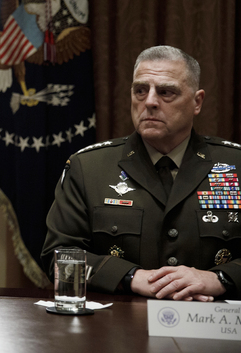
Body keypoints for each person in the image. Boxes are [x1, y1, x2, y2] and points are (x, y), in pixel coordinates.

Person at [42, 45, 241, 301]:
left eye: (166, 92)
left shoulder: (234, 164)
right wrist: (130, 277)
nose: (149, 102)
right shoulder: (89, 167)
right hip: (116, 327)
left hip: (213, 325)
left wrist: (219, 278)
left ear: (197, 102)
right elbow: (57, 258)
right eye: (140, 90)